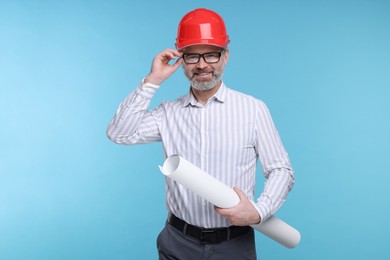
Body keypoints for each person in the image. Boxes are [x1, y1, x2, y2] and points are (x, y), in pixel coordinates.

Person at [107, 8, 295, 260]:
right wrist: (152, 80)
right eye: (192, 57)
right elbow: (119, 134)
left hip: (233, 245)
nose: (202, 64)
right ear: (181, 60)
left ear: (225, 56)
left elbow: (280, 170)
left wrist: (259, 212)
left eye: (211, 55)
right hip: (177, 242)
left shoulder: (253, 110)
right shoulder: (168, 113)